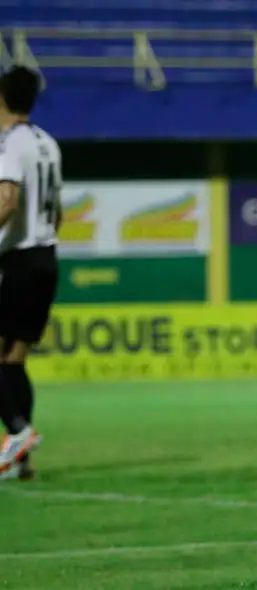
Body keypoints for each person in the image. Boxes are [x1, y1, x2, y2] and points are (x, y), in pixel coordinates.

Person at [0, 66, 60, 478]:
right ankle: (22, 463)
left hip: (19, 260)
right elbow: (59, 209)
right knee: (14, 360)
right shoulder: (49, 143)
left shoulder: (11, 144)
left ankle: (19, 432)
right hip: (46, 257)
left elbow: (7, 199)